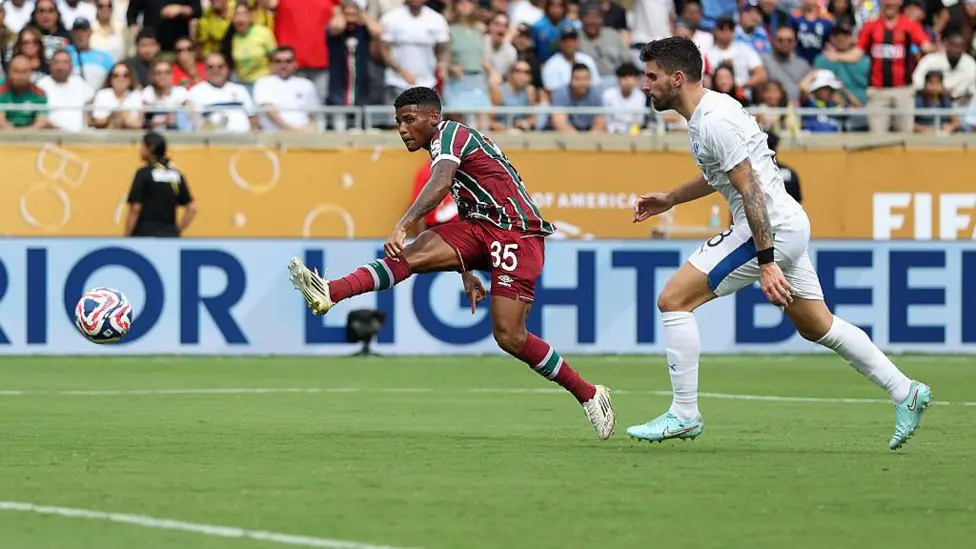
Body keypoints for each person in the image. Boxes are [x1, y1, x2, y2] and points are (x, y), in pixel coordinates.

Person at [628, 37, 930, 450]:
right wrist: (671, 198)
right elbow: (726, 175)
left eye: (652, 76)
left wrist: (767, 261)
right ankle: (905, 391)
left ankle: (684, 414)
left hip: (768, 229)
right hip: (785, 222)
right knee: (817, 325)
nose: (645, 85)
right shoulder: (711, 112)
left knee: (673, 300)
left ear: (677, 78)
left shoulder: (714, 120)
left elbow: (750, 191)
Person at [287, 86, 616, 441]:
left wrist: (402, 224)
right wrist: (467, 269)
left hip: (516, 234)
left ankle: (590, 393)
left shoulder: (452, 134)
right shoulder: (445, 148)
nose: (402, 128)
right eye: (398, 121)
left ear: (433, 117)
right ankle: (331, 291)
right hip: (481, 228)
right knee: (412, 253)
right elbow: (466, 200)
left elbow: (442, 183)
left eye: (409, 120)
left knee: (509, 336)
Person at [125, 131, 197, 238]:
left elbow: (135, 208)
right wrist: (176, 231)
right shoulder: (176, 174)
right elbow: (192, 208)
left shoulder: (144, 173)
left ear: (151, 148)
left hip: (145, 235)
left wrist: (127, 236)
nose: (140, 149)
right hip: (169, 237)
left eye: (142, 146)